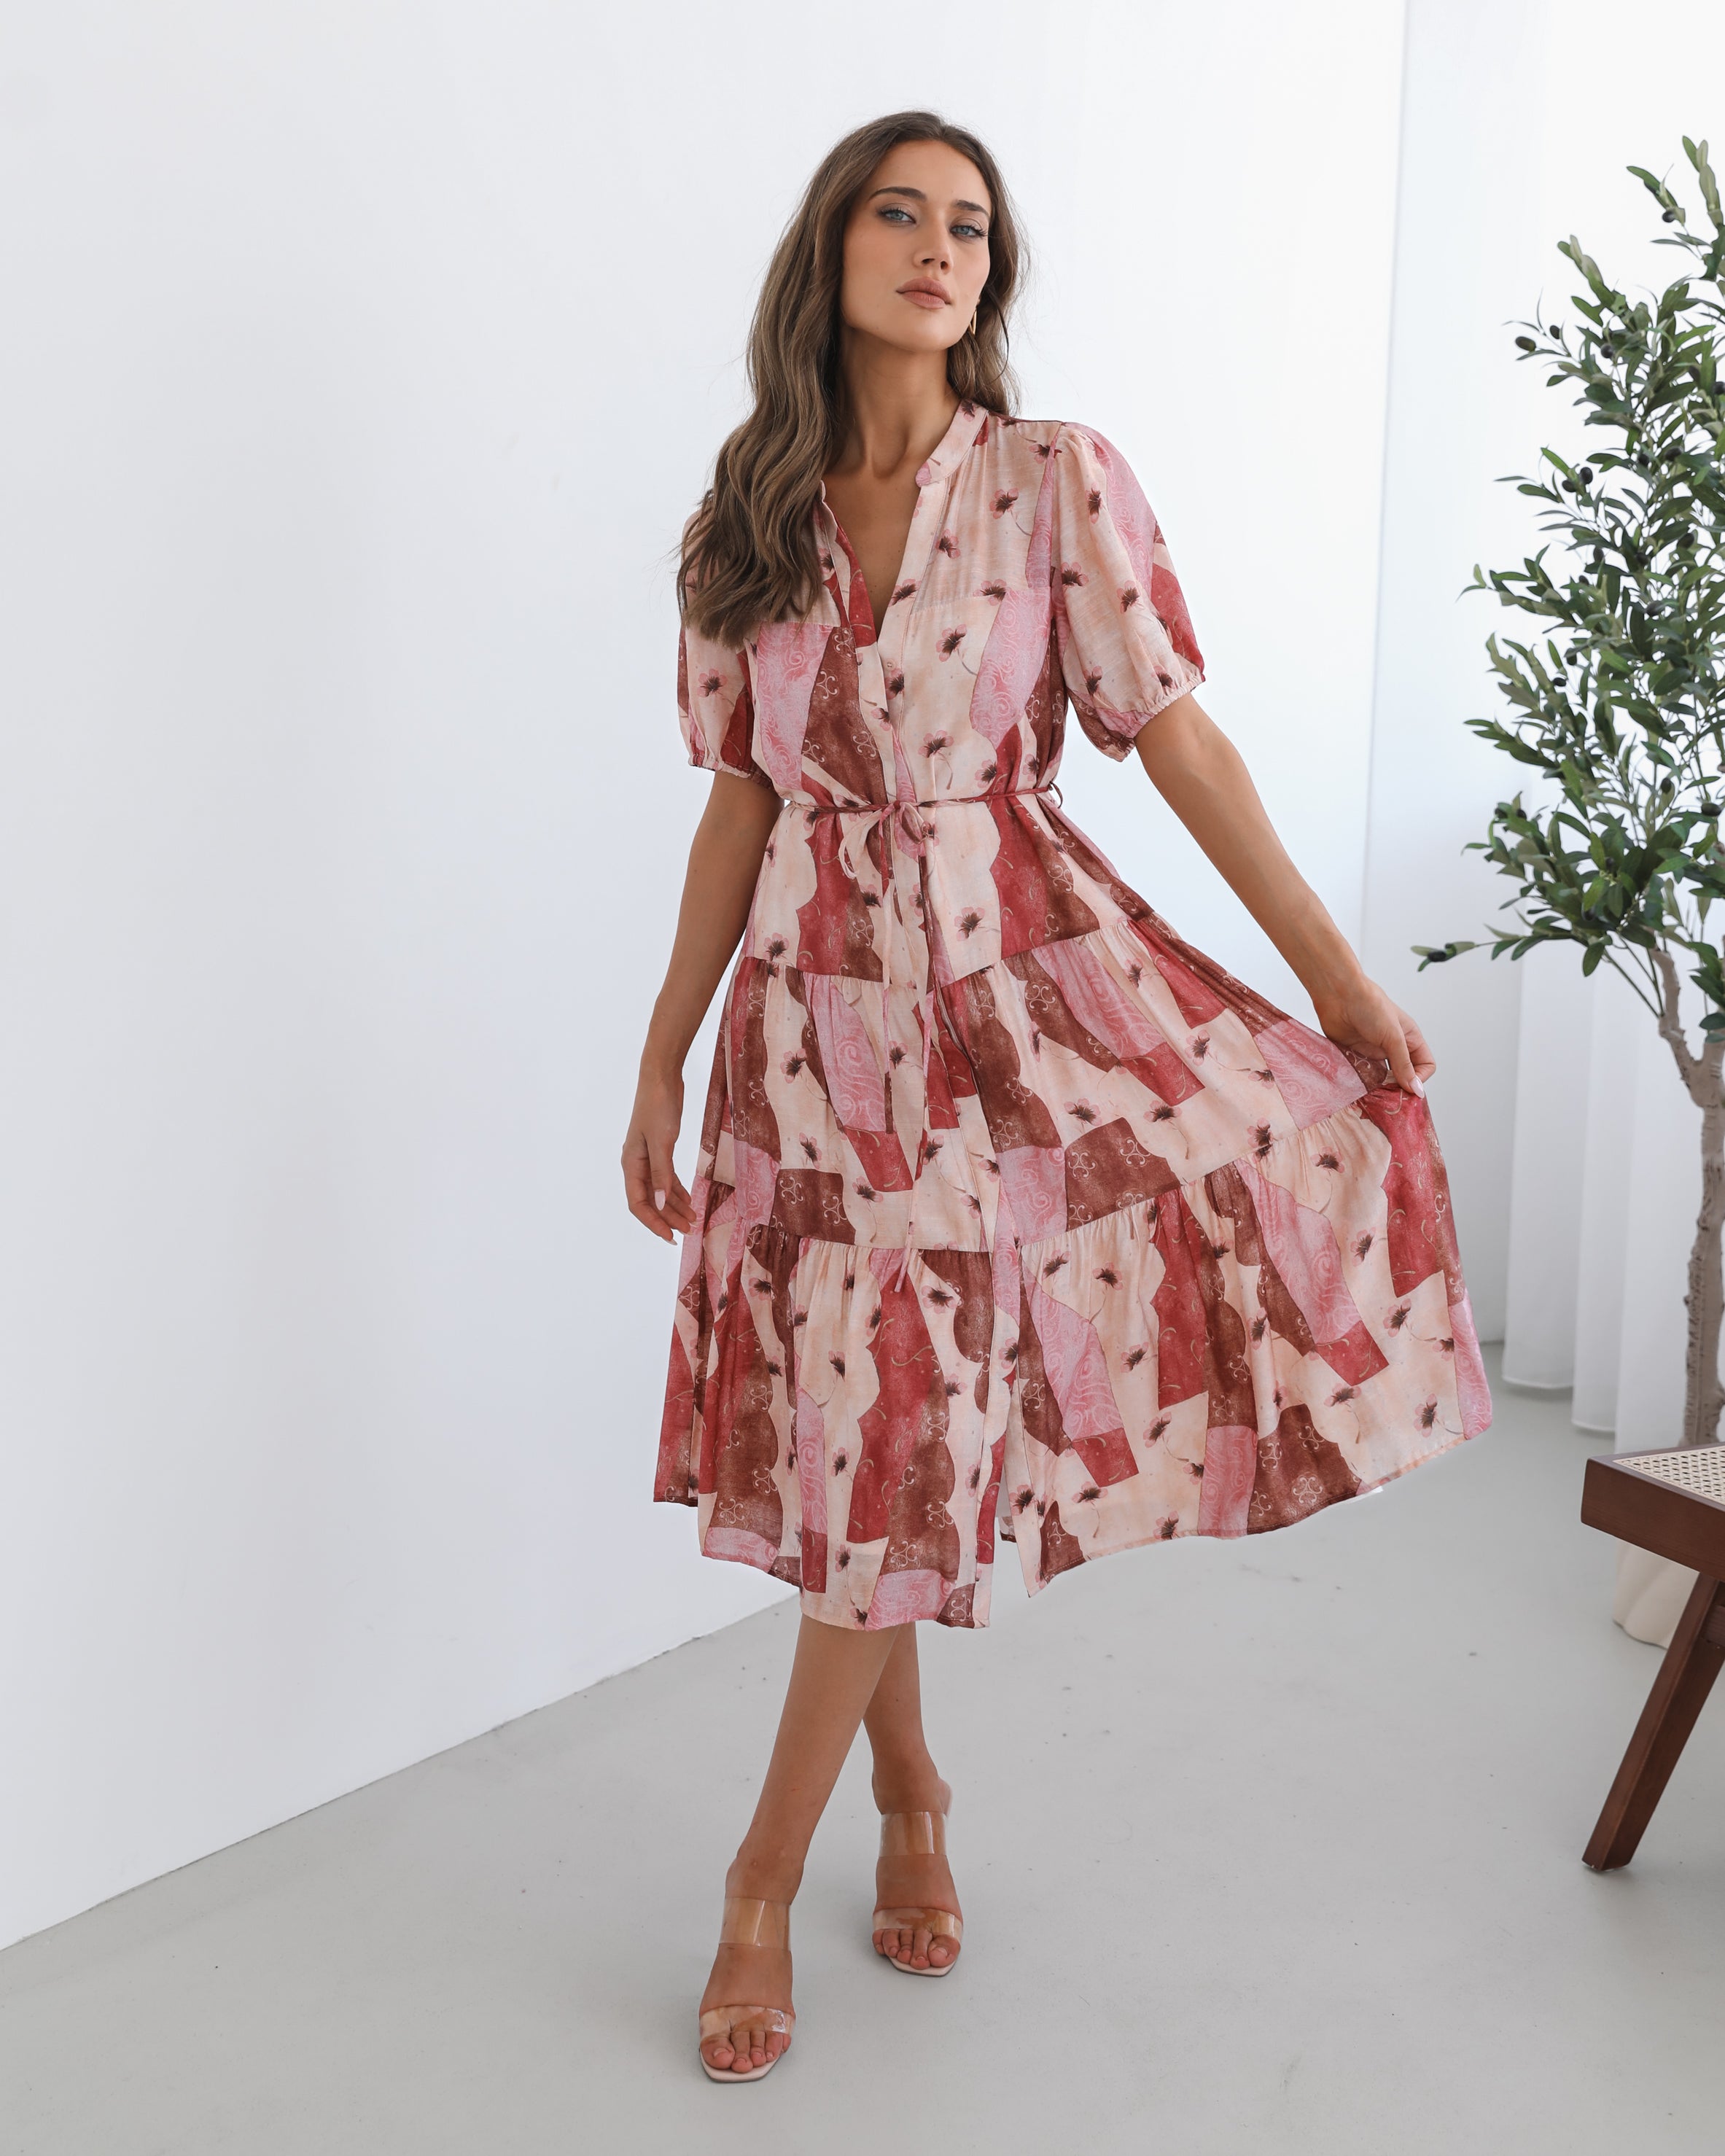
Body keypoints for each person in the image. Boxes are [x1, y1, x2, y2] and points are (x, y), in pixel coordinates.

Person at [620, 110, 1492, 2082]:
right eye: (902, 215)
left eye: (974, 230)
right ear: (829, 248)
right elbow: (740, 802)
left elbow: (1169, 737)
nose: (942, 251)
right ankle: (911, 1798)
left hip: (1020, 1011)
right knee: (874, 1437)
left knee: (897, 1430)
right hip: (811, 1043)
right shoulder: (738, 523)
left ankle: (761, 1878)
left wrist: (1337, 980)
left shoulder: (1051, 481)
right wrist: (662, 1052)